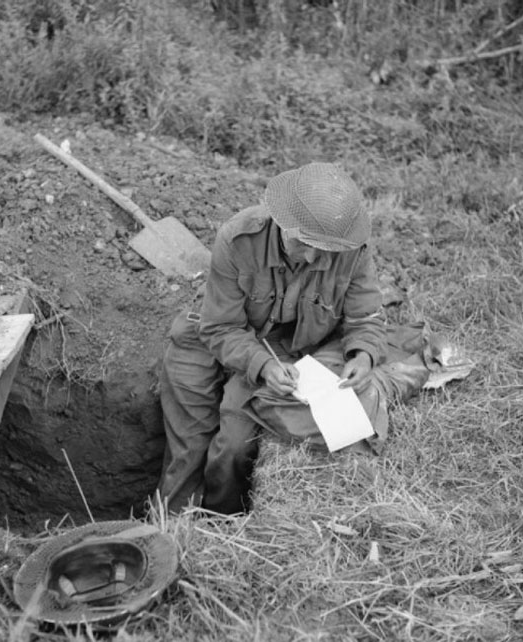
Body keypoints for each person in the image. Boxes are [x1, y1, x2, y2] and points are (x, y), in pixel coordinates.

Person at [157, 162, 392, 515]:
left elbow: (365, 316)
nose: (314, 257)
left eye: (323, 249)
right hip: (216, 336)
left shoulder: (350, 250)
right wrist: (263, 365)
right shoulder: (238, 240)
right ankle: (173, 527)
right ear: (282, 223)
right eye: (305, 244)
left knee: (234, 445)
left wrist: (363, 356)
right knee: (189, 447)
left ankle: (223, 525)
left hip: (283, 349)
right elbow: (220, 327)